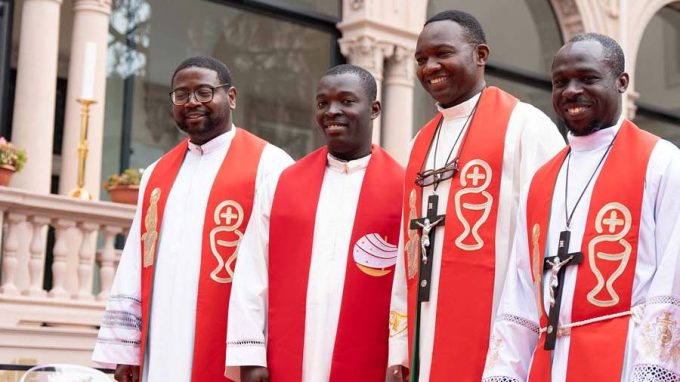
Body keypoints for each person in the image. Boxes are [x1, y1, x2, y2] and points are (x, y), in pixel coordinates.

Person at [481, 33, 680, 381]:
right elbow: (521, 293)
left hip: (623, 362)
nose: (571, 91)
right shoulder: (542, 180)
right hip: (548, 361)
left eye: (587, 79)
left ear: (621, 82)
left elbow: (672, 280)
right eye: (560, 82)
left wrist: (653, 372)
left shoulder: (662, 163)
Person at [388, 10, 565, 381]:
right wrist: (400, 346)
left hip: (501, 333)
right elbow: (407, 249)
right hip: (426, 334)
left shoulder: (526, 127)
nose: (430, 67)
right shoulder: (419, 143)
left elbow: (550, 241)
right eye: (421, 59)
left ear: (480, 55)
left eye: (443, 54)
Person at [92, 56, 293, 382]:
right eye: (181, 95)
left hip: (232, 344)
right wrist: (126, 350)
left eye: (203, 92)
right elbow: (134, 260)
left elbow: (284, 267)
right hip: (161, 340)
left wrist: (257, 352)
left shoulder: (271, 165)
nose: (191, 103)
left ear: (230, 97)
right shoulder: (157, 174)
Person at [225, 64, 404, 382]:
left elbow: (408, 286)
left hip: (371, 361)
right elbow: (252, 273)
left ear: (374, 109)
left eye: (346, 101)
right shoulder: (282, 185)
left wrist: (399, 358)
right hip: (291, 356)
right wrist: (249, 355)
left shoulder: (403, 189)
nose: (332, 111)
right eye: (323, 103)